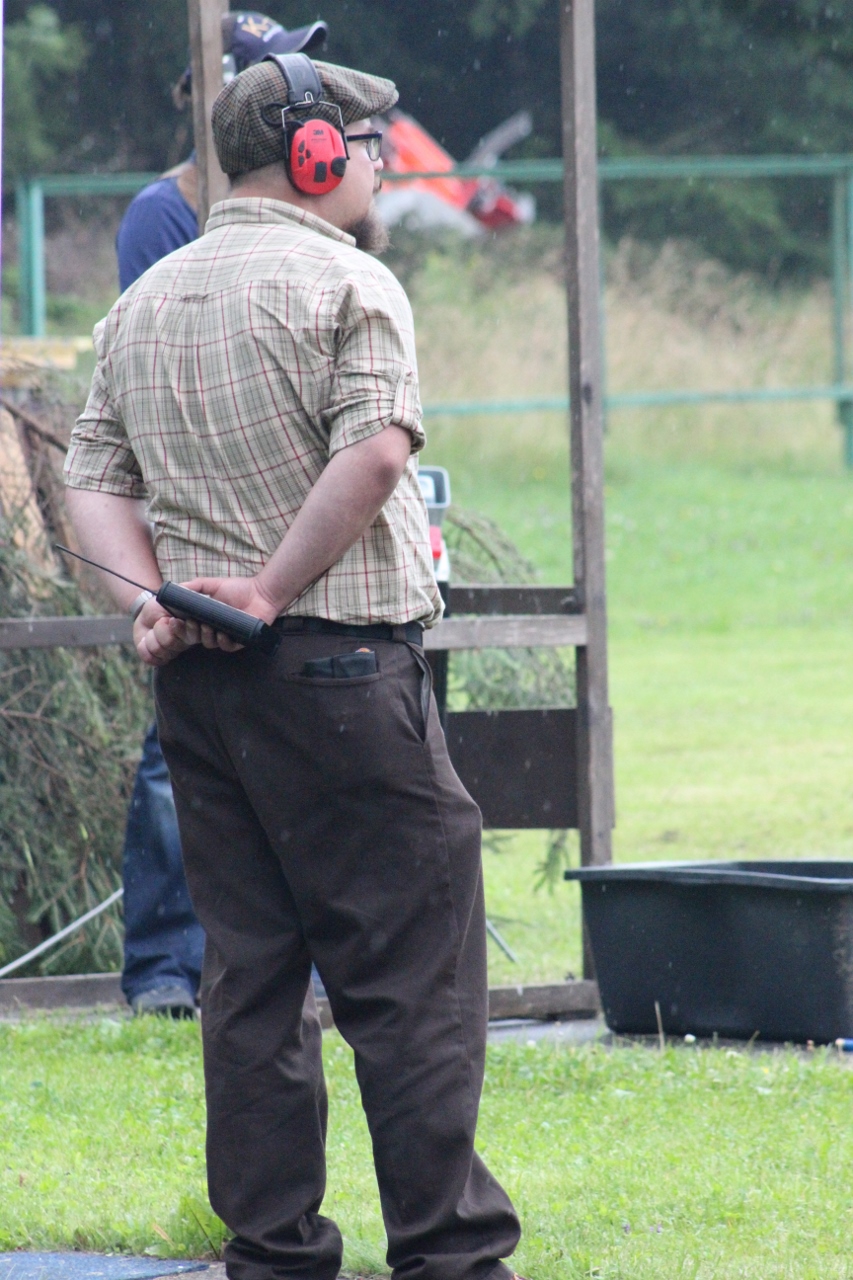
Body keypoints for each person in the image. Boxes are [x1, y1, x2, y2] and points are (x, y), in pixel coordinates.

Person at [64, 52, 524, 1280]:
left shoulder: (145, 302)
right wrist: (267, 590)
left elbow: (90, 482)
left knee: (250, 978)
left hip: (202, 695)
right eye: (368, 146)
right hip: (342, 674)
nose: (377, 166)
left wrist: (149, 606)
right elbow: (375, 452)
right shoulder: (348, 280)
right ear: (316, 156)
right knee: (411, 976)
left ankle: (273, 1252)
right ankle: (450, 1255)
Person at [116, 10, 328, 1018]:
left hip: (289, 519)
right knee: (178, 753)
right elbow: (168, 373)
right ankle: (167, 964)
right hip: (201, 515)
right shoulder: (161, 217)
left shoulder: (323, 220)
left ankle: (299, 955)